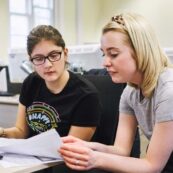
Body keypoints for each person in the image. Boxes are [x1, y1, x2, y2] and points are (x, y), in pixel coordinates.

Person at [59, 12, 173, 173]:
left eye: (113, 54)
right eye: (104, 54)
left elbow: (152, 166)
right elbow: (121, 150)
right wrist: (85, 146)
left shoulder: (168, 92)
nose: (105, 62)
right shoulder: (130, 91)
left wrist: (95, 158)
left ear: (141, 51)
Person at [0, 25, 101, 142]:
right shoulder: (31, 82)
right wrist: (2, 132)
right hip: (30, 156)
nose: (47, 64)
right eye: (38, 58)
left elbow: (72, 149)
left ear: (65, 53)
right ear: (31, 60)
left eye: (54, 55)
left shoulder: (86, 95)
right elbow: (21, 132)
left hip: (62, 158)